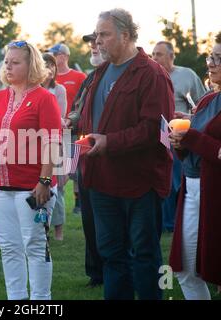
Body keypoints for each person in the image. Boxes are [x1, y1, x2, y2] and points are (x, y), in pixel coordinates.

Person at [78, 9, 174, 300]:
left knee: (145, 256)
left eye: (104, 35)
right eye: (96, 36)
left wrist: (110, 142)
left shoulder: (152, 74)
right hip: (102, 182)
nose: (98, 41)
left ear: (127, 35)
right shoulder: (100, 73)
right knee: (111, 255)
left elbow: (154, 130)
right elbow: (95, 118)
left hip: (139, 183)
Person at [0, 40, 61, 300]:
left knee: (35, 245)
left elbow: (52, 142)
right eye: (7, 62)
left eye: (15, 62)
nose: (8, 66)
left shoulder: (44, 98)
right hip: (1, 186)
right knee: (8, 247)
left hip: (32, 186)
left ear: (31, 65)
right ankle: (15, 299)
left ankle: (40, 300)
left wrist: (45, 181)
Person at [169, 33, 221, 300]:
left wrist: (192, 137)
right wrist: (180, 141)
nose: (211, 63)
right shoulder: (207, 100)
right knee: (185, 270)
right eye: (210, 56)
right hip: (191, 189)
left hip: (215, 193)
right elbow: (192, 146)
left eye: (219, 58)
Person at [152, 41, 206, 233]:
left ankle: (177, 221)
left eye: (159, 54)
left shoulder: (187, 75)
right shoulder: (152, 76)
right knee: (162, 176)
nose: (154, 58)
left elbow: (203, 102)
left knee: (177, 177)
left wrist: (192, 114)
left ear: (171, 56)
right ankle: (166, 222)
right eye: (153, 54)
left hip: (180, 134)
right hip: (157, 133)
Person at [69, 31, 105, 288]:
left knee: (111, 220)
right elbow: (76, 110)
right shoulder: (91, 78)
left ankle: (116, 269)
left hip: (111, 157)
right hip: (86, 157)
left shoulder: (124, 75)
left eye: (97, 41)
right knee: (90, 218)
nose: (93, 46)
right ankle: (96, 272)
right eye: (91, 42)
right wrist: (69, 120)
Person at [48, 43, 87, 215]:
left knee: (76, 167)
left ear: (64, 56)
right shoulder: (49, 79)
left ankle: (79, 202)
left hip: (74, 128)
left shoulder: (78, 76)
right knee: (60, 169)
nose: (53, 59)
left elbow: (84, 101)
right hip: (57, 130)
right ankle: (58, 201)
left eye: (55, 55)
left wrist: (74, 120)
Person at [42, 53, 67, 241]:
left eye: (51, 64)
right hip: (36, 142)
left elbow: (60, 117)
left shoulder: (59, 90)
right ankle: (44, 228)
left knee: (57, 187)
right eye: (45, 64)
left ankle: (58, 229)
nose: (49, 68)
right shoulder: (30, 90)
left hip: (56, 139)